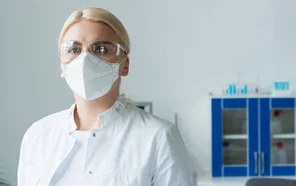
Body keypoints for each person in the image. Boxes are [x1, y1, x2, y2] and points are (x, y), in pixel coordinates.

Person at [17, 7, 196, 186]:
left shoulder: (157, 137)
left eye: (101, 49)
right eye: (74, 49)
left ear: (124, 65)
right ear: (62, 66)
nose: (85, 60)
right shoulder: (39, 136)